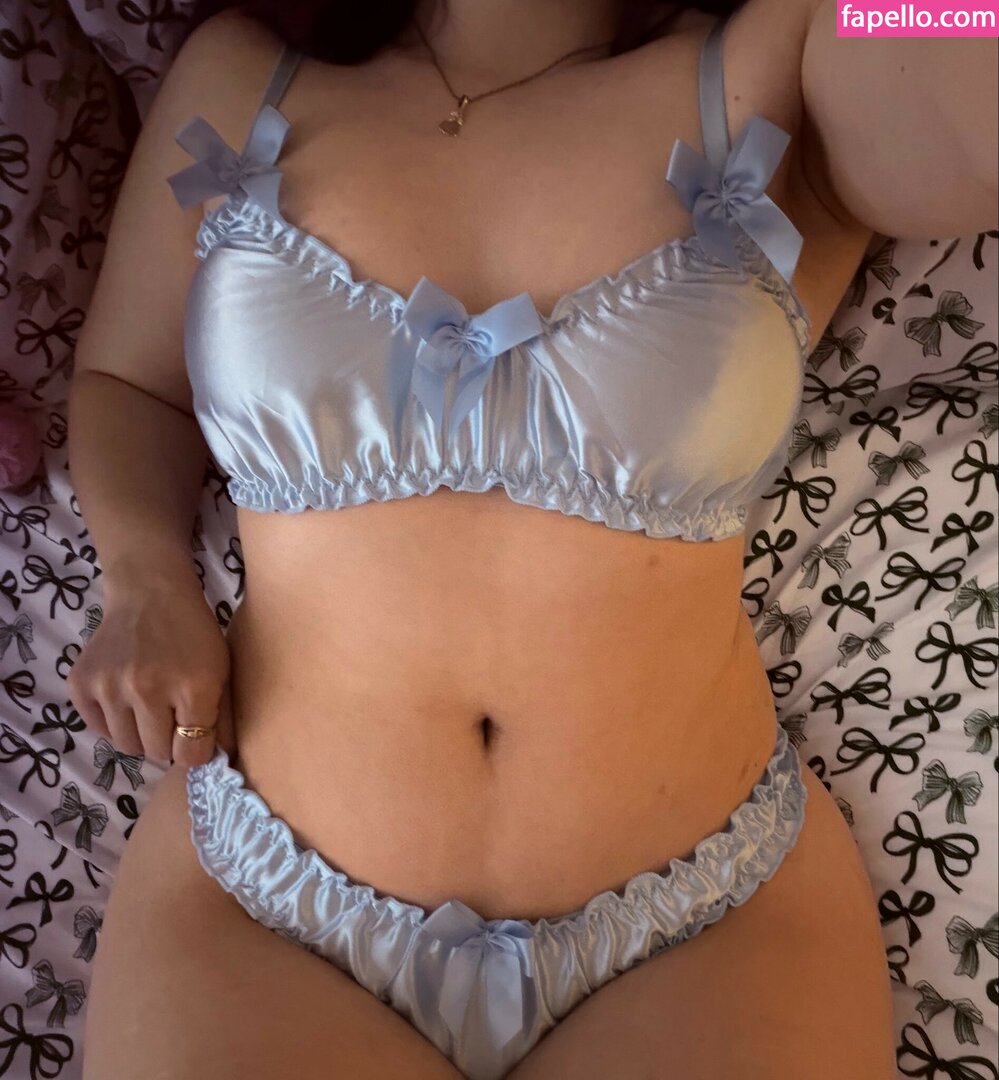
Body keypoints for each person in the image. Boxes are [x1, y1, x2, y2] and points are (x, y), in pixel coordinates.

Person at [67, 0, 996, 1077]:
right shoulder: (240, 72)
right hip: (262, 906)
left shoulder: (780, 55)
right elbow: (126, 382)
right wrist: (144, 579)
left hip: (703, 926)